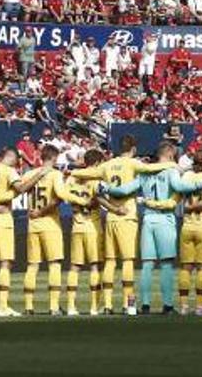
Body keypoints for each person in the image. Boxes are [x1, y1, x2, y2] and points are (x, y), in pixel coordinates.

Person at [100, 141, 202, 315]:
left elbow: (123, 191)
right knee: (166, 264)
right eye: (173, 155)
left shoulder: (145, 172)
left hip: (147, 219)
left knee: (147, 265)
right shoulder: (170, 170)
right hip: (164, 219)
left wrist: (106, 188)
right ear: (168, 155)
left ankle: (145, 305)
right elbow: (180, 187)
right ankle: (167, 305)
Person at [71, 135, 170, 315]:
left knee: (109, 261)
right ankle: (127, 304)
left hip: (110, 216)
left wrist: (73, 172)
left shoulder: (107, 165)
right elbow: (151, 168)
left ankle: (107, 305)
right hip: (127, 216)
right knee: (127, 261)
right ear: (133, 148)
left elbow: (83, 173)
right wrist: (172, 165)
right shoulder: (133, 163)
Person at [0, 147, 44, 317]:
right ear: (9, 156)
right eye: (16, 157)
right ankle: (3, 306)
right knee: (5, 263)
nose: (17, 161)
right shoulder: (9, 171)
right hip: (3, 219)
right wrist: (38, 175)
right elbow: (21, 189)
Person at [21, 147, 68, 315]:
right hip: (50, 223)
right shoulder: (55, 174)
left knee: (32, 266)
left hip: (33, 223)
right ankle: (54, 306)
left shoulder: (29, 174)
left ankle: (28, 307)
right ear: (54, 158)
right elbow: (60, 197)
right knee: (54, 264)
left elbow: (21, 189)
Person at [63, 150, 110, 317]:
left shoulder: (72, 178)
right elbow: (100, 197)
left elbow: (65, 195)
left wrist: (78, 202)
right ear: (97, 163)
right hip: (93, 226)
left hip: (76, 225)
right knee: (95, 266)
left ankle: (70, 307)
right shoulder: (97, 179)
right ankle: (94, 307)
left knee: (74, 267)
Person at [178, 150, 202, 316]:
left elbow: (180, 198)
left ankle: (184, 306)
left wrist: (189, 207)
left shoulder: (186, 178)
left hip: (187, 225)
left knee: (186, 268)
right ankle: (200, 307)